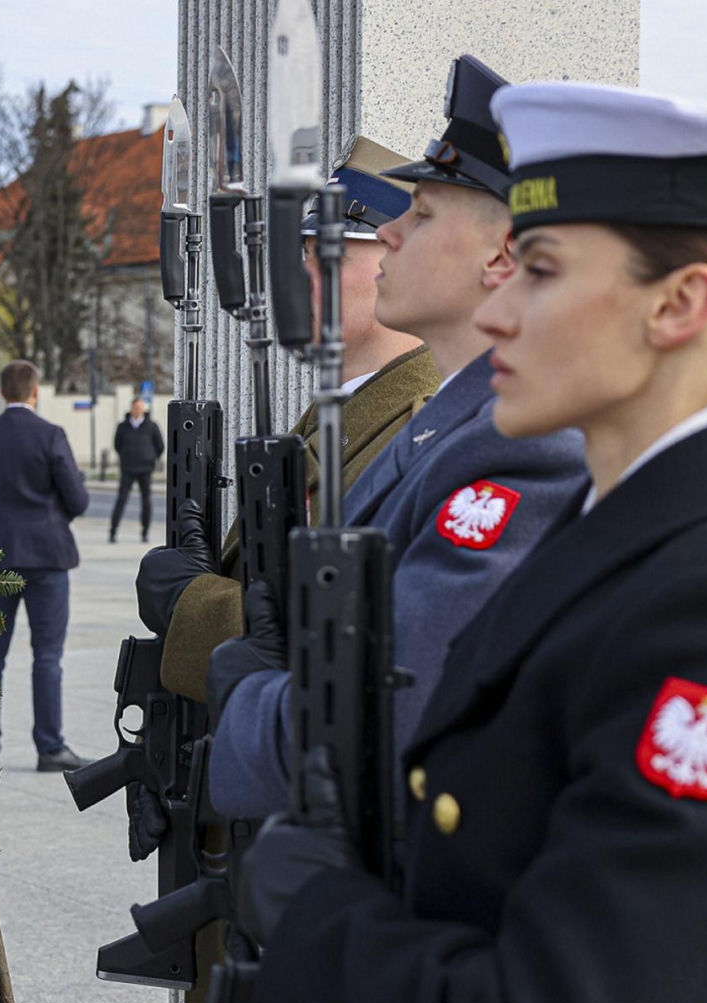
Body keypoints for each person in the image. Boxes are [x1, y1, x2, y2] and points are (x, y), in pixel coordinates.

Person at [235, 82, 707, 1003]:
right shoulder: (626, 535)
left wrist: (325, 920)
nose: (496, 312)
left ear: (680, 305)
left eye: (538, 271)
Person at [208, 55, 587, 818]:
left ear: (501, 255)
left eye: (423, 215)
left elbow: (384, 717)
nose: (389, 230)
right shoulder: (451, 425)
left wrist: (249, 692)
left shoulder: (520, 448)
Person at [137, 136, 438, 705]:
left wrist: (194, 605)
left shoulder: (420, 427)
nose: (299, 274)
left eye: (326, 253)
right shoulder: (339, 411)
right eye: (303, 253)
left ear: (400, 259)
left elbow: (353, 632)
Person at [0, 360, 90, 771]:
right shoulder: (51, 435)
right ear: (36, 391)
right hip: (48, 556)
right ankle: (50, 747)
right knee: (47, 655)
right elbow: (78, 500)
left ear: (1, 392)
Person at [109, 397, 164, 543]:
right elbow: (117, 445)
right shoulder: (122, 426)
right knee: (121, 499)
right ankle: (113, 531)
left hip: (145, 468)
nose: (138, 410)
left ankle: (145, 532)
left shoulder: (152, 426)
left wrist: (150, 457)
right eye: (135, 408)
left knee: (146, 501)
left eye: (140, 408)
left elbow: (160, 446)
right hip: (128, 468)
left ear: (144, 410)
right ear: (131, 408)